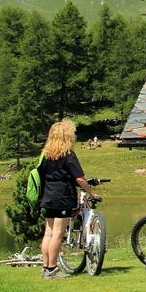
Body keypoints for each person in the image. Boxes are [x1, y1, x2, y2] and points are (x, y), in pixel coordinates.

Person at [39, 120, 97, 280]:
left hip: (48, 194)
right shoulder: (68, 155)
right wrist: (91, 193)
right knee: (58, 233)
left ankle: (45, 267)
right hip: (62, 195)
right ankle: (52, 268)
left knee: (48, 233)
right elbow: (79, 178)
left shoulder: (46, 155)